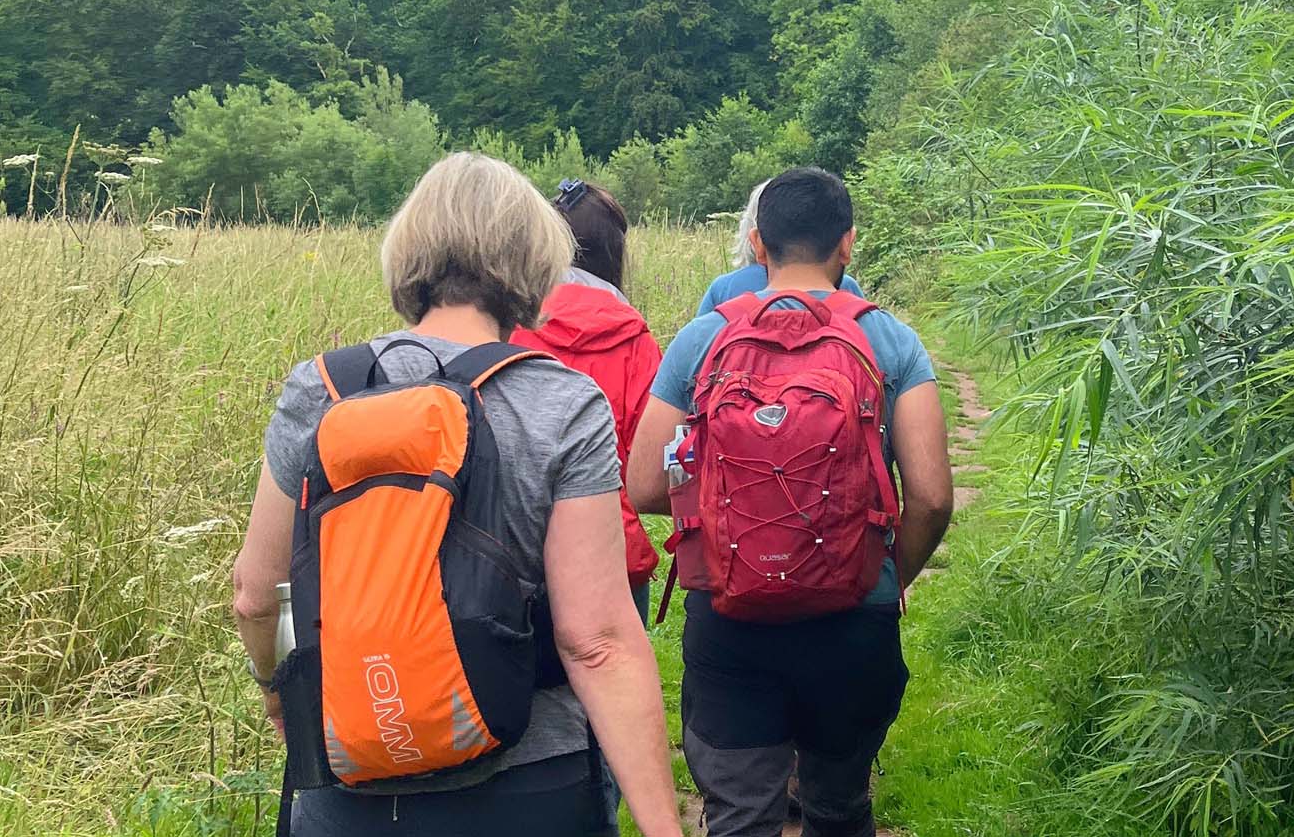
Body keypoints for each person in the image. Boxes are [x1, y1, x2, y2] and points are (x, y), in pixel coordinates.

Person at [232, 153, 682, 837]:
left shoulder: (318, 389)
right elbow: (597, 642)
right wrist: (663, 826)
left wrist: (278, 694)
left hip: (350, 780)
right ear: (535, 264)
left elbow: (253, 593)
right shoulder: (561, 401)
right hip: (533, 786)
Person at [630, 167, 954, 837]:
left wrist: (724, 516)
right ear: (848, 245)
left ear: (757, 243)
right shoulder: (891, 340)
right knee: (837, 809)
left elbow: (643, 484)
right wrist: (887, 573)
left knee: (742, 819)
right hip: (853, 619)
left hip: (729, 618)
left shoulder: (702, 339)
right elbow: (930, 495)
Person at [510, 178, 662, 619]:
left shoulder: (506, 328)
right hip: (611, 550)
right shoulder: (634, 336)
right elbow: (647, 465)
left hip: (518, 554)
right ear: (614, 252)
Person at [695, 179, 865, 317]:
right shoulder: (847, 287)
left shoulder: (724, 287)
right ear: (846, 242)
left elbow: (696, 350)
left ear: (756, 239)